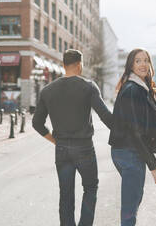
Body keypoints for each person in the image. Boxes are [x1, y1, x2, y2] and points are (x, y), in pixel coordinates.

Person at [32, 49, 112, 226]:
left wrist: (55, 140)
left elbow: (37, 123)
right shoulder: (89, 86)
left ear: (63, 65)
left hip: (61, 149)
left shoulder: (47, 90)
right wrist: (125, 131)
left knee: (65, 194)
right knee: (90, 188)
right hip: (84, 147)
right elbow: (106, 117)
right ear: (79, 64)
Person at [109, 48, 156, 226]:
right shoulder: (133, 89)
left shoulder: (140, 88)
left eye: (145, 60)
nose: (143, 64)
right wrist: (154, 166)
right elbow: (135, 132)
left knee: (134, 199)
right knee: (130, 207)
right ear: (131, 65)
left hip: (129, 151)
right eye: (138, 61)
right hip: (129, 152)